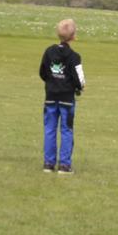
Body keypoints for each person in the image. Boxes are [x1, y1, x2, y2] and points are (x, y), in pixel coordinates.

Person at [39, 18, 85, 173]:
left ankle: (48, 163)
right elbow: (79, 80)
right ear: (74, 36)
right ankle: (64, 165)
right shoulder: (75, 57)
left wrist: (52, 82)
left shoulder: (49, 52)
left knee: (50, 129)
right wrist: (79, 87)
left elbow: (43, 72)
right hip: (67, 100)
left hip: (50, 97)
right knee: (66, 130)